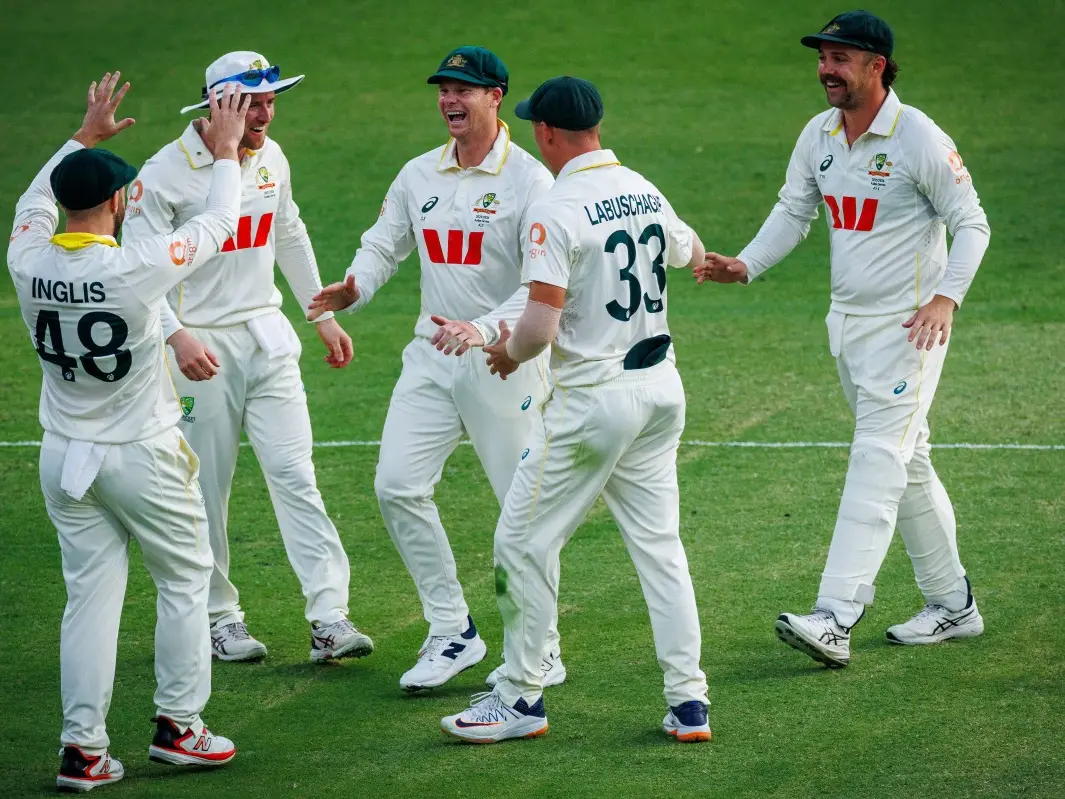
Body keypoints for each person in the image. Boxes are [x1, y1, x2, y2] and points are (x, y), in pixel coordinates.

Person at [697, 10, 991, 667]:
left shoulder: (917, 137)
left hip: (910, 330)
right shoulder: (820, 133)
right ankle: (953, 603)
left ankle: (834, 615)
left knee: (875, 458)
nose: (826, 69)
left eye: (840, 58)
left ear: (876, 66)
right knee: (907, 462)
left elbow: (972, 223)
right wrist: (745, 264)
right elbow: (793, 210)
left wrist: (945, 298)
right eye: (822, 57)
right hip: (846, 327)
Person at [440, 76, 712, 744]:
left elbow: (538, 328)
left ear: (546, 132)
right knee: (660, 548)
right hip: (660, 391)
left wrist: (507, 352)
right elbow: (693, 253)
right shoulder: (642, 187)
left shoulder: (556, 208)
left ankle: (519, 696)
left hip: (594, 401)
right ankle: (688, 701)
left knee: (520, 541)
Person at [8, 73, 245, 791]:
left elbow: (29, 201)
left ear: (64, 205)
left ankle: (82, 750)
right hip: (142, 451)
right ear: (118, 202)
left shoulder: (26, 259)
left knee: (88, 598)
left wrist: (81, 137)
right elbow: (219, 224)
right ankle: (180, 726)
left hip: (63, 456)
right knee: (185, 579)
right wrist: (227, 151)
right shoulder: (136, 267)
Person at [309, 46, 566, 693]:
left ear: (495, 96)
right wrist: (353, 288)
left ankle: (541, 645)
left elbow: (541, 288)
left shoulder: (531, 181)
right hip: (430, 355)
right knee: (396, 485)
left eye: (463, 89)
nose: (450, 100)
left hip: (502, 361)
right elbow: (382, 244)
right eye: (443, 89)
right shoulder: (418, 173)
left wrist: (483, 329)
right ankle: (452, 627)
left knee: (521, 511)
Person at [123, 51, 370, 664]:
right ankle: (219, 617)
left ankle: (329, 618)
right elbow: (136, 270)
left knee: (297, 475)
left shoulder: (271, 157)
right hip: (199, 351)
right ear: (219, 105)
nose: (265, 114)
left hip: (267, 339)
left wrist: (321, 314)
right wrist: (175, 336)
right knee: (204, 489)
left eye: (270, 101)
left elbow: (288, 231)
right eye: (252, 103)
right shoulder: (163, 174)